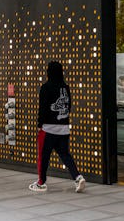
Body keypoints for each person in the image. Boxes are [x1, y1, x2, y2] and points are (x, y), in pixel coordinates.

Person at [29, 61, 86, 193]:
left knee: (43, 156)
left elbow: (42, 108)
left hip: (48, 128)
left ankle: (41, 183)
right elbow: (68, 105)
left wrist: (39, 124)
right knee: (65, 155)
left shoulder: (46, 87)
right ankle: (78, 177)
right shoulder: (65, 87)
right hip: (64, 127)